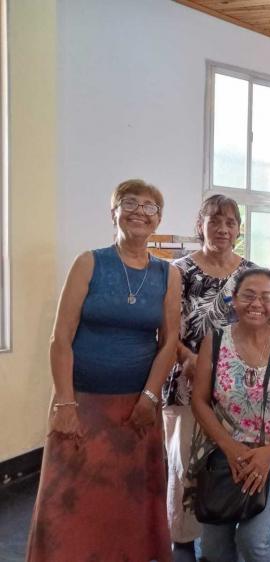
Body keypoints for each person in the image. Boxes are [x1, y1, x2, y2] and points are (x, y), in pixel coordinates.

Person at [26, 179, 181, 561]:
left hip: (136, 412)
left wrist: (150, 397)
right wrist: (64, 403)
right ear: (112, 212)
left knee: (128, 503)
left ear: (158, 219)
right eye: (129, 203)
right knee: (69, 502)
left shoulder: (167, 275)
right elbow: (60, 337)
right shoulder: (89, 263)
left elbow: (169, 343)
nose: (139, 212)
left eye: (149, 207)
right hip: (80, 406)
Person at [189, 267, 270, 562]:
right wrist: (230, 449)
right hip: (222, 450)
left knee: (252, 539)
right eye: (249, 296)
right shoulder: (215, 342)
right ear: (233, 299)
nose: (257, 304)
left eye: (266, 297)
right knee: (215, 545)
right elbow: (200, 401)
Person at [161, 194, 253, 560]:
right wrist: (190, 358)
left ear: (239, 231)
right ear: (200, 224)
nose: (222, 228)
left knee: (222, 464)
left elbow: (257, 325)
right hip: (186, 382)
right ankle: (181, 538)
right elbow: (166, 329)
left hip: (234, 389)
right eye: (215, 220)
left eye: (230, 222)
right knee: (185, 463)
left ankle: (219, 534)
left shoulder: (250, 272)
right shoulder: (177, 271)